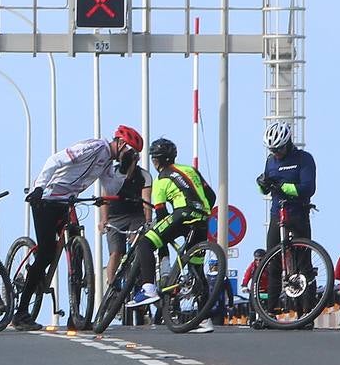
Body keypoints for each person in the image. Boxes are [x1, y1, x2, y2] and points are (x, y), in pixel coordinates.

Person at [13, 124, 144, 332]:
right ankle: (21, 312)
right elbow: (55, 160)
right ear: (119, 143)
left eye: (135, 154)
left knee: (77, 253)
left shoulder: (108, 163)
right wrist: (38, 187)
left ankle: (76, 316)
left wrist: (125, 170)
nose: (132, 155)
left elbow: (110, 187)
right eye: (130, 150)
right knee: (46, 253)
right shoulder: (94, 147)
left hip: (67, 201)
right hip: (46, 198)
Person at [122, 138, 216, 333]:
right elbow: (212, 196)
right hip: (202, 220)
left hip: (182, 215)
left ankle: (148, 289)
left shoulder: (162, 180)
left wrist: (163, 240)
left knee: (146, 243)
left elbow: (161, 213)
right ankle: (205, 320)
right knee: (196, 268)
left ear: (157, 161)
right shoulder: (191, 170)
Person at [256, 121, 317, 321]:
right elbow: (265, 190)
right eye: (273, 149)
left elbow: (307, 188)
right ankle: (269, 312)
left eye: (280, 148)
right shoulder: (270, 161)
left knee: (303, 264)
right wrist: (262, 184)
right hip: (277, 213)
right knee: (272, 262)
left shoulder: (303, 159)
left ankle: (306, 312)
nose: (277, 153)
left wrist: (283, 185)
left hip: (298, 212)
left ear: (288, 143)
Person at [102, 152, 152, 298]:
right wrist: (103, 220)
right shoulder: (112, 173)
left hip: (136, 216)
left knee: (137, 246)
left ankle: (138, 283)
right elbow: (104, 198)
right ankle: (112, 288)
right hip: (115, 216)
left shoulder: (144, 175)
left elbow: (146, 200)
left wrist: (148, 221)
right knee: (116, 252)